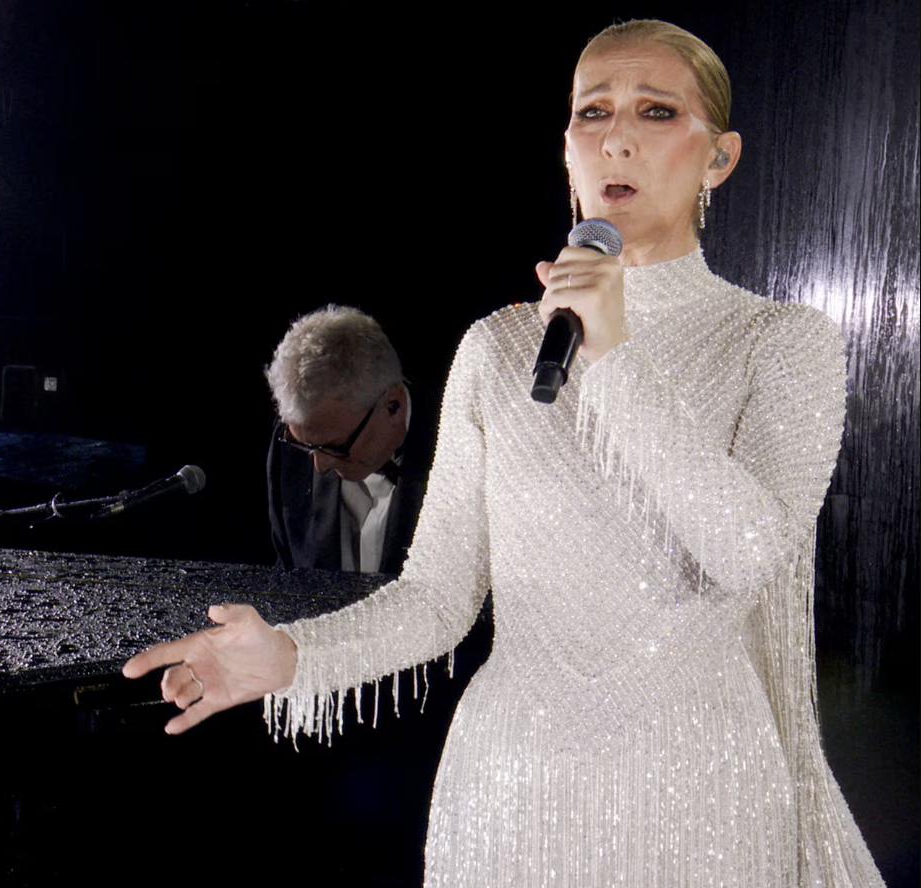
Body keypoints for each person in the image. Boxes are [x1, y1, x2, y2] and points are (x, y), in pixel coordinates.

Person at [123, 20, 885, 886]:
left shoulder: (778, 341)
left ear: (718, 158)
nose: (616, 135)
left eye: (656, 110)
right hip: (508, 787)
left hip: (698, 789)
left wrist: (614, 359)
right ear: (566, 150)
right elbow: (439, 597)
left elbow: (748, 553)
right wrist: (292, 657)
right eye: (591, 112)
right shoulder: (494, 347)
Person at [265, 306, 424, 575]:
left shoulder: (466, 456)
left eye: (335, 447)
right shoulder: (295, 446)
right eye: (304, 444)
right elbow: (291, 579)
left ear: (393, 406)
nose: (319, 466)